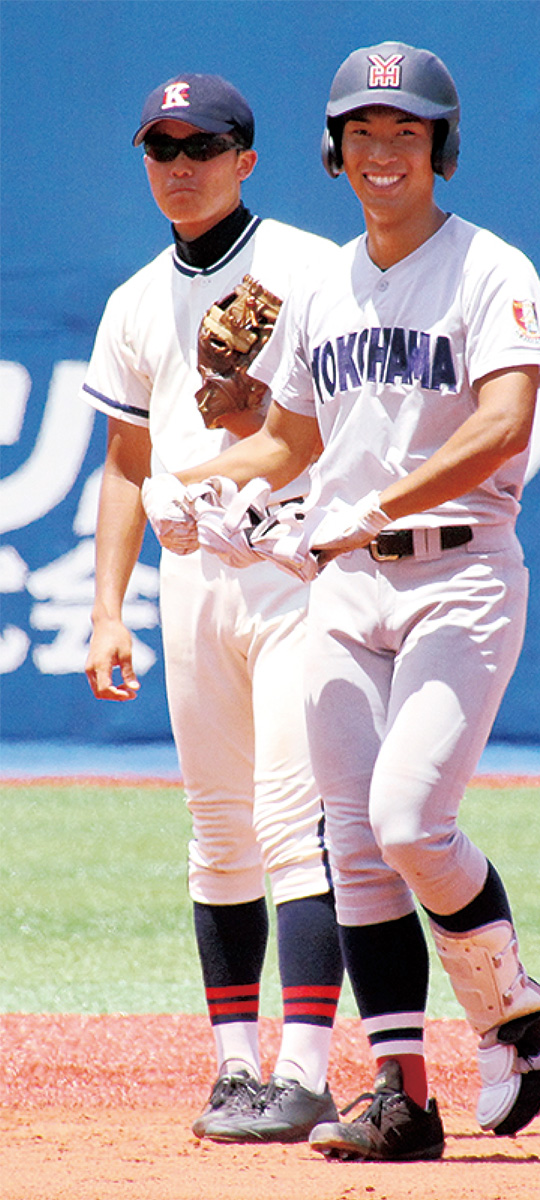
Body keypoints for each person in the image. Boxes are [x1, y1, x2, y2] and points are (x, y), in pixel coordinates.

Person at [149, 42, 540, 1162]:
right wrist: (199, 488)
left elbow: (501, 423)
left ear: (441, 150)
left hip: (458, 572)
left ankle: (505, 1003)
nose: (384, 154)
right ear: (333, 154)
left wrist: (368, 498)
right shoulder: (321, 283)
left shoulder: (490, 268)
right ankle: (401, 1095)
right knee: (353, 847)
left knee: (408, 820)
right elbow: (290, 438)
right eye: (363, 135)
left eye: (407, 134)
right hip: (342, 581)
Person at [82, 73, 344, 1144]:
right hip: (193, 587)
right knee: (216, 829)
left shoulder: (308, 269)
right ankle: (235, 1067)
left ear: (245, 156)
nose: (179, 165)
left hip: (294, 575)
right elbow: (125, 462)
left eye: (202, 145)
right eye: (161, 147)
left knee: (293, 824)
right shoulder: (137, 300)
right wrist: (108, 609)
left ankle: (306, 1070)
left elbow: (344, 417)